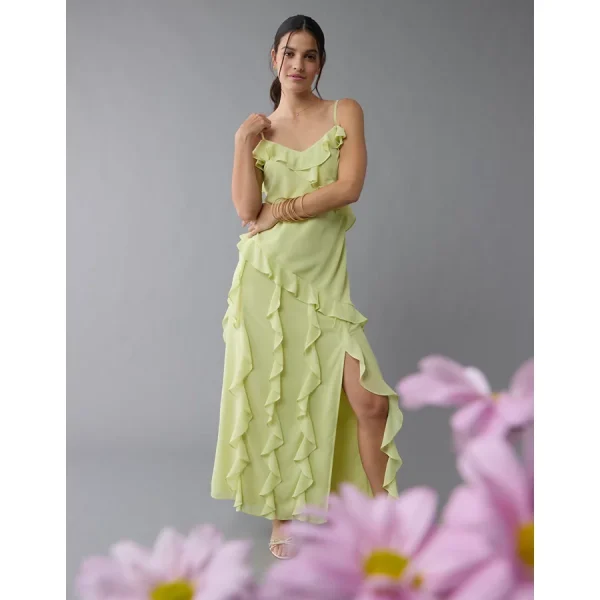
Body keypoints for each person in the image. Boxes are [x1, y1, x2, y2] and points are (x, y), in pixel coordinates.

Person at [211, 15, 403, 559]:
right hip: (266, 282)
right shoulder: (260, 131)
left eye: (310, 55)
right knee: (279, 397)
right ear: (274, 58)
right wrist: (241, 142)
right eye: (289, 53)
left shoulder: (344, 112)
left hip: (323, 285)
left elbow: (349, 187)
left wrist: (284, 209)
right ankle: (284, 516)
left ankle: (386, 522)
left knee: (370, 403)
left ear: (321, 63)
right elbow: (247, 210)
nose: (298, 64)